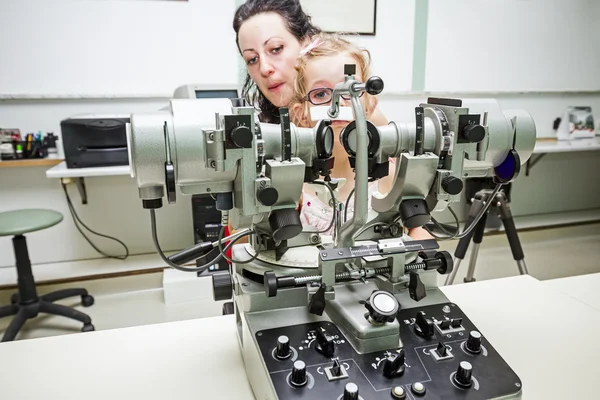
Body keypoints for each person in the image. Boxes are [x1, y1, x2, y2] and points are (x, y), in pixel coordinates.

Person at [233, 0, 431, 240]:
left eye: (275, 48)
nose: (264, 68)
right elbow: (242, 237)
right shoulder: (261, 133)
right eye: (252, 59)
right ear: (299, 112)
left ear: (305, 43)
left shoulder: (370, 126)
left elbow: (412, 223)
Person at [288, 32, 432, 239]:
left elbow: (414, 229)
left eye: (352, 91)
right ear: (302, 113)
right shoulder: (293, 184)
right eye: (321, 94)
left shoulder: (388, 177)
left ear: (369, 105)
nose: (338, 103)